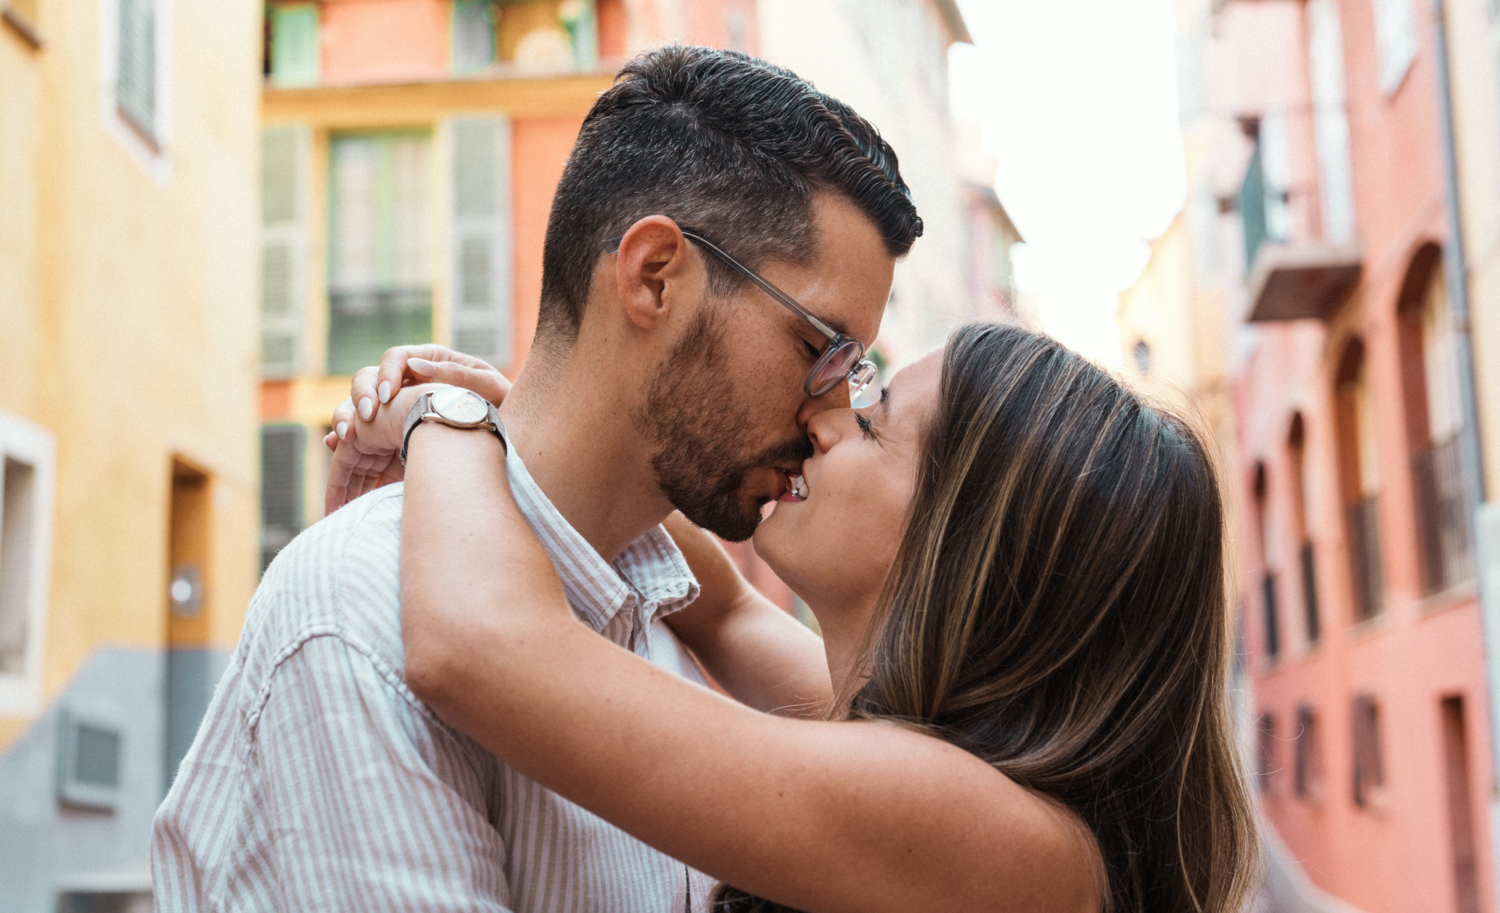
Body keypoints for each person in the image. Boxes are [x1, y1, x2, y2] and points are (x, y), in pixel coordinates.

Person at [150, 45, 922, 912]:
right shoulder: (359, 610)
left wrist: (449, 418)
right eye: (822, 350)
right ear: (655, 276)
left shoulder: (662, 632)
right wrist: (472, 423)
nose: (830, 412)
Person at [336, 322, 1261, 913]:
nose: (821, 415)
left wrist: (443, 415)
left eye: (874, 416)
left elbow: (480, 649)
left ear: (966, 541)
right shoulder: (941, 764)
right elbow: (727, 612)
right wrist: (534, 419)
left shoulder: (988, 830)